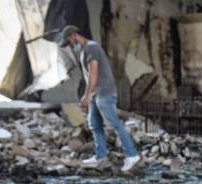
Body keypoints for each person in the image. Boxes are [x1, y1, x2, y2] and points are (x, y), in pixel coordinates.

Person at [59, 25, 141, 172]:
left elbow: (93, 75)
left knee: (114, 123)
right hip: (96, 93)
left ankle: (132, 154)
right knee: (94, 124)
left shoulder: (91, 48)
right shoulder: (84, 50)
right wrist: (90, 95)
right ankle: (100, 155)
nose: (70, 46)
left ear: (74, 36)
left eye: (70, 42)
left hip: (104, 92)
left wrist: (86, 96)